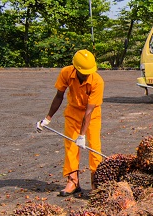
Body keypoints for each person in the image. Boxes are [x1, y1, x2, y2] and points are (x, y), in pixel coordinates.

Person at [35, 50, 104, 196]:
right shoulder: (66, 73)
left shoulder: (97, 81)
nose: (87, 74)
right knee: (71, 146)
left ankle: (95, 183)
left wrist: (82, 135)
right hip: (73, 112)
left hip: (91, 115)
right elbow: (59, 96)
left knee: (94, 147)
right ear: (76, 68)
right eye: (84, 72)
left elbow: (89, 112)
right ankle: (73, 181)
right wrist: (48, 118)